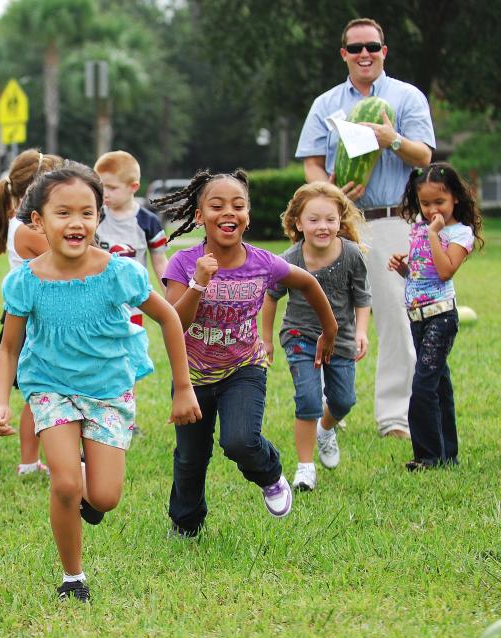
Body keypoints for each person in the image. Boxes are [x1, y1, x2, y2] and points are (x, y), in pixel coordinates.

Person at [0, 163, 201, 602]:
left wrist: (183, 387)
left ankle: (86, 489)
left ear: (99, 217)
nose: (76, 223)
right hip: (50, 386)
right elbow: (9, 347)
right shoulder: (26, 282)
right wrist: (1, 403)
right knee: (65, 483)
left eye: (86, 213)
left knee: (104, 498)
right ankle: (73, 578)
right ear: (38, 222)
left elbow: (167, 317)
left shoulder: (118, 273)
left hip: (107, 389)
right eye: (63, 213)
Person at [157, 170, 338, 536]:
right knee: (191, 458)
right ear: (199, 216)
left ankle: (270, 474)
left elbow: (307, 282)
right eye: (217, 205)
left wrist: (330, 330)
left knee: (239, 440)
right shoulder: (182, 262)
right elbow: (174, 323)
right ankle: (186, 524)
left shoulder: (263, 263)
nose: (229, 212)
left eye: (238, 206)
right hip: (191, 377)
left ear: (248, 216)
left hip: (244, 367)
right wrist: (198, 283)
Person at [296, 17, 435, 439]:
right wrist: (326, 191)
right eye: (355, 48)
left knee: (394, 315)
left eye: (372, 47)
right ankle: (326, 413)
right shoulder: (326, 104)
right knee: (327, 316)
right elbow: (312, 160)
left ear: (384, 51)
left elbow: (424, 156)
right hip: (340, 224)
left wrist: (390, 138)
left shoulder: (406, 97)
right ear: (344, 54)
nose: (364, 54)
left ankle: (394, 417)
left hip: (391, 218)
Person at [260, 182, 371, 492]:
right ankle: (305, 467)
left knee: (343, 401)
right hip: (300, 335)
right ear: (298, 223)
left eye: (330, 219)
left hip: (342, 338)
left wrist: (361, 332)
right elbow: (271, 297)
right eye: (314, 219)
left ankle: (326, 429)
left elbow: (363, 298)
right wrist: (266, 340)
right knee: (308, 399)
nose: (323, 226)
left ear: (340, 221)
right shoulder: (290, 259)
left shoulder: (351, 255)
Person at [387, 163, 483, 471]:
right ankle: (447, 455)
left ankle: (427, 457)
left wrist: (432, 234)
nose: (431, 210)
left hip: (441, 316)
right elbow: (421, 274)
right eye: (425, 203)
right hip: (417, 315)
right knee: (440, 385)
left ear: (455, 198)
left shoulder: (459, 233)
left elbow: (445, 270)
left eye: (438, 202)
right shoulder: (419, 226)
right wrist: (403, 266)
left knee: (424, 385)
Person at [0, 148, 62, 476]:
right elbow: (72, 260)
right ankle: (31, 462)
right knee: (41, 393)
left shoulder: (21, 226)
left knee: (40, 393)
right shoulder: (30, 232)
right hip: (36, 322)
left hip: (40, 317)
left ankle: (31, 462)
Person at [93, 150, 169, 319]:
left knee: (133, 345)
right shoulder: (94, 217)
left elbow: (160, 262)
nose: (104, 192)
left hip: (134, 302)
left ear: (133, 187)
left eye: (112, 187)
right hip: (100, 301)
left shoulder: (148, 222)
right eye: (101, 186)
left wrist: (171, 297)